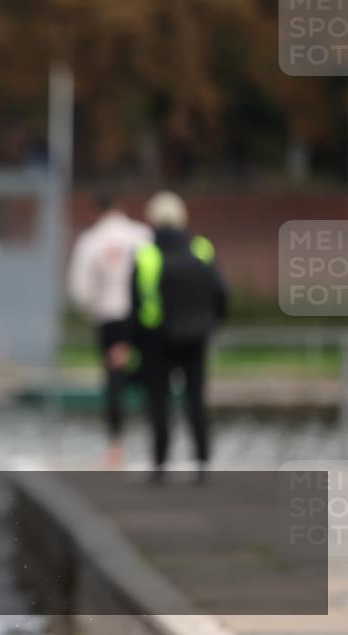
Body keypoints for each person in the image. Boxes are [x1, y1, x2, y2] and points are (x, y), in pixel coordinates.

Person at [120, 190, 227, 484]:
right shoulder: (202, 249)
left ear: (152, 220)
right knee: (196, 399)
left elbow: (136, 303)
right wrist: (212, 323)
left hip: (156, 338)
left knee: (159, 402)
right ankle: (203, 462)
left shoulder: (146, 255)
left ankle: (160, 465)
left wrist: (132, 342)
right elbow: (221, 293)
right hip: (196, 337)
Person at [66, 190, 151, 468]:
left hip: (109, 318)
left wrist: (91, 308)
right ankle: (157, 445)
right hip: (142, 317)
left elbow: (79, 290)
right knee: (152, 377)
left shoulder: (90, 241)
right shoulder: (142, 235)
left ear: (95, 211)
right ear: (121, 206)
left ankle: (116, 447)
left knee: (114, 382)